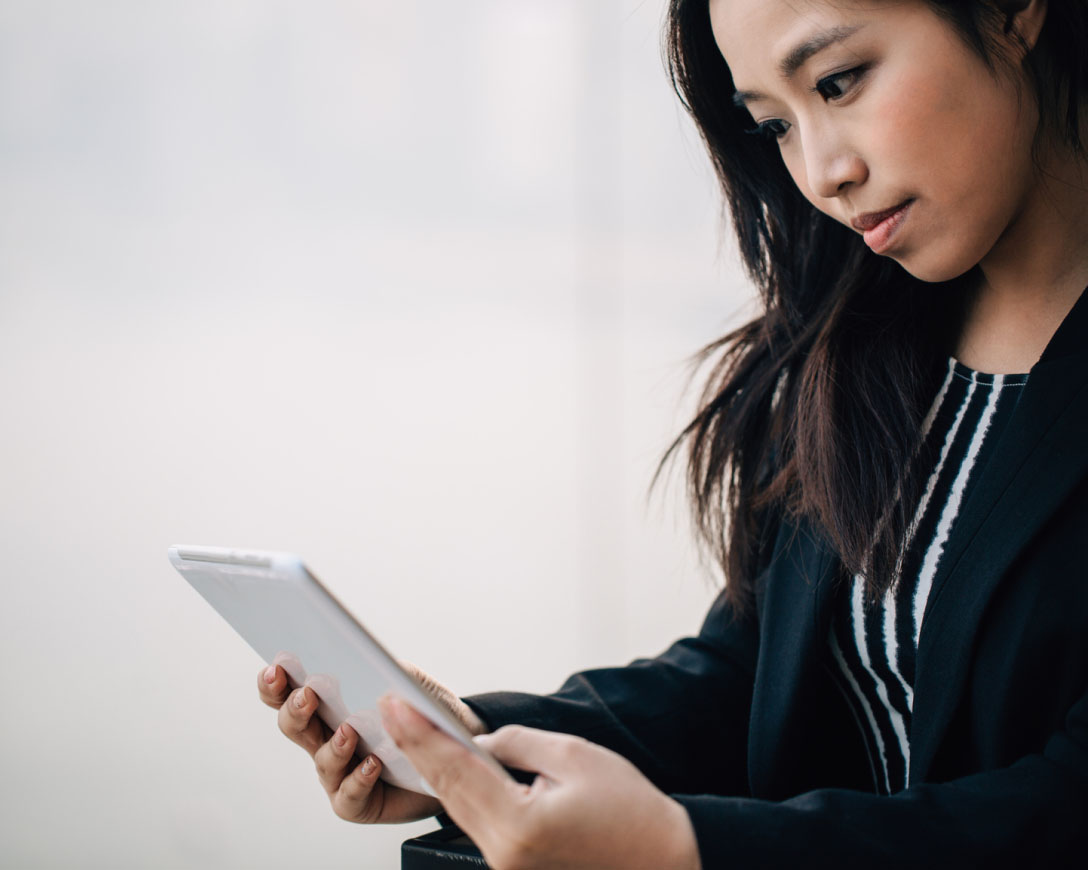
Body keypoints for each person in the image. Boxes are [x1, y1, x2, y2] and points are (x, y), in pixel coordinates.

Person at [257, 0, 1088, 866]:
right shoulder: (855, 338)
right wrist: (477, 749)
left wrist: (685, 851)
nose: (819, 171)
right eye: (772, 125)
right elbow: (753, 675)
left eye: (839, 82)